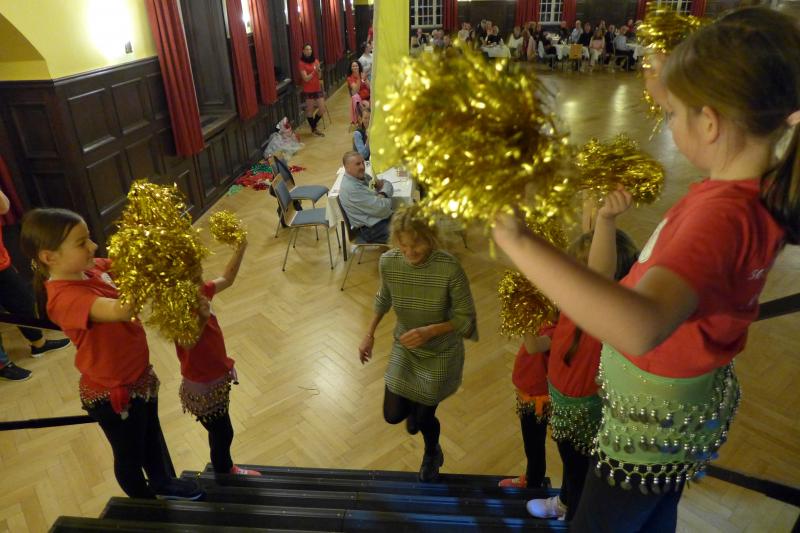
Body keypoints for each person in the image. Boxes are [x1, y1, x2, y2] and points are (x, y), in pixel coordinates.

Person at [493, 7, 797, 530]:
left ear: (710, 121)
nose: (667, 120)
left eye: (672, 113)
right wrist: (668, 72)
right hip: (676, 422)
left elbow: (639, 326)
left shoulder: (720, 218)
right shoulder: (760, 188)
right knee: (654, 517)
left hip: (644, 436)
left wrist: (518, 241)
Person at [20, 208, 203, 500]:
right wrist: (149, 270)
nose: (93, 246)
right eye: (82, 243)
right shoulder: (64, 297)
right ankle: (142, 503)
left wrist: (154, 245)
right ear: (49, 257)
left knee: (151, 437)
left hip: (139, 377)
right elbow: (122, 310)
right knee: (129, 455)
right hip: (113, 393)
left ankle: (162, 483)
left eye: (89, 238)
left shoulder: (91, 269)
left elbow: (124, 264)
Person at [527, 226, 639, 521]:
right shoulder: (572, 303)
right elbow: (545, 340)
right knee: (570, 462)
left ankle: (575, 514)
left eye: (580, 271)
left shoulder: (610, 319)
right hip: (563, 404)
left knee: (581, 470)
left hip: (587, 413)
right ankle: (566, 502)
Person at [359, 205, 477, 482]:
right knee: (392, 415)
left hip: (441, 350)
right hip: (407, 345)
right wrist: (369, 334)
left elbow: (466, 318)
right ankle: (417, 405)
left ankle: (432, 452)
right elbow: (384, 297)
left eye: (417, 244)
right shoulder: (389, 262)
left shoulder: (449, 267)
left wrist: (431, 331)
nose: (410, 252)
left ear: (431, 237)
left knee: (422, 420)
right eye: (403, 244)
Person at [177, 239, 259, 477]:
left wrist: (241, 248)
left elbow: (227, 279)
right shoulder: (179, 306)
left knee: (220, 431)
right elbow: (187, 342)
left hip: (213, 379)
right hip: (203, 386)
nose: (199, 269)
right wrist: (202, 319)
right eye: (192, 266)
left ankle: (225, 469)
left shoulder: (199, 291)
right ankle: (224, 472)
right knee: (223, 432)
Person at [0, 188, 70, 382]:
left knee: (23, 301)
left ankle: (39, 344)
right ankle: (3, 366)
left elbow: (4, 207)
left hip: (2, 262)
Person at [497, 324, 555, 490]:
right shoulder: (547, 322)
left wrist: (523, 317)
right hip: (530, 395)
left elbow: (533, 346)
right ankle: (532, 478)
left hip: (538, 399)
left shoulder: (557, 330)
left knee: (534, 445)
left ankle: (533, 484)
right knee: (532, 444)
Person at [338, 151, 392, 243]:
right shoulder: (352, 189)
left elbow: (386, 184)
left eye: (363, 163)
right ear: (347, 168)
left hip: (378, 220)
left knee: (411, 217)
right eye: (358, 164)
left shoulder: (361, 176)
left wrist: (382, 195)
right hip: (371, 230)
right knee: (410, 233)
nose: (362, 167)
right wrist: (384, 194)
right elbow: (384, 208)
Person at [298, 44, 326, 137]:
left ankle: (313, 126)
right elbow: (306, 78)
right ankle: (314, 129)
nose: (309, 51)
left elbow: (319, 76)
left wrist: (319, 71)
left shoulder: (315, 61)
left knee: (322, 109)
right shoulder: (301, 63)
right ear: (303, 51)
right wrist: (314, 71)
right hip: (308, 89)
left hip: (317, 88)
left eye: (310, 49)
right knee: (310, 110)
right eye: (306, 49)